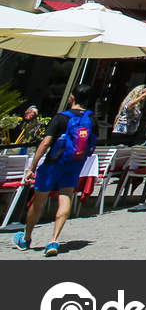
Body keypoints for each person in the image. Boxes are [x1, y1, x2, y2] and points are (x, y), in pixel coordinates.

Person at [12, 89, 97, 257]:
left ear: (72, 97)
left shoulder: (61, 117)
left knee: (39, 200)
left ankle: (27, 238)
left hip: (54, 162)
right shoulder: (92, 118)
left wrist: (33, 167)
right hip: (74, 163)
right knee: (66, 197)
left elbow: (45, 143)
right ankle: (54, 240)